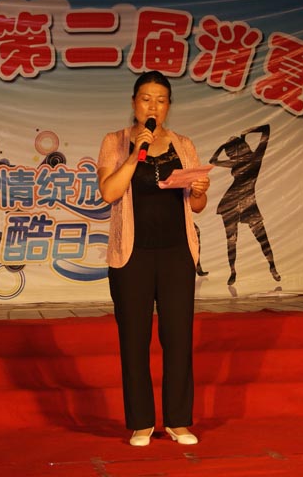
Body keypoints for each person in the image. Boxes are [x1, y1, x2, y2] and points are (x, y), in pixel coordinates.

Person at [96, 71, 210, 447]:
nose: (153, 107)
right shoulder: (114, 142)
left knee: (178, 338)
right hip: (132, 256)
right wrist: (135, 154)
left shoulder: (183, 144)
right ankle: (142, 422)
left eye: (161, 100)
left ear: (169, 106)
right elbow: (109, 192)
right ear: (133, 103)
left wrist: (199, 190)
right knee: (134, 339)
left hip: (177, 254)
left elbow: (197, 205)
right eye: (146, 99)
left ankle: (178, 421)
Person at [209, 123, 281, 286]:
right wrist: (223, 145)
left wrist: (247, 131)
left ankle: (272, 267)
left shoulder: (255, 157)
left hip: (248, 202)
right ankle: (233, 271)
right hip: (230, 202)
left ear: (240, 148)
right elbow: (213, 160)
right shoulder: (236, 162)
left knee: (261, 237)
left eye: (231, 151)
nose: (230, 155)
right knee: (231, 239)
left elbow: (266, 129)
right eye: (229, 152)